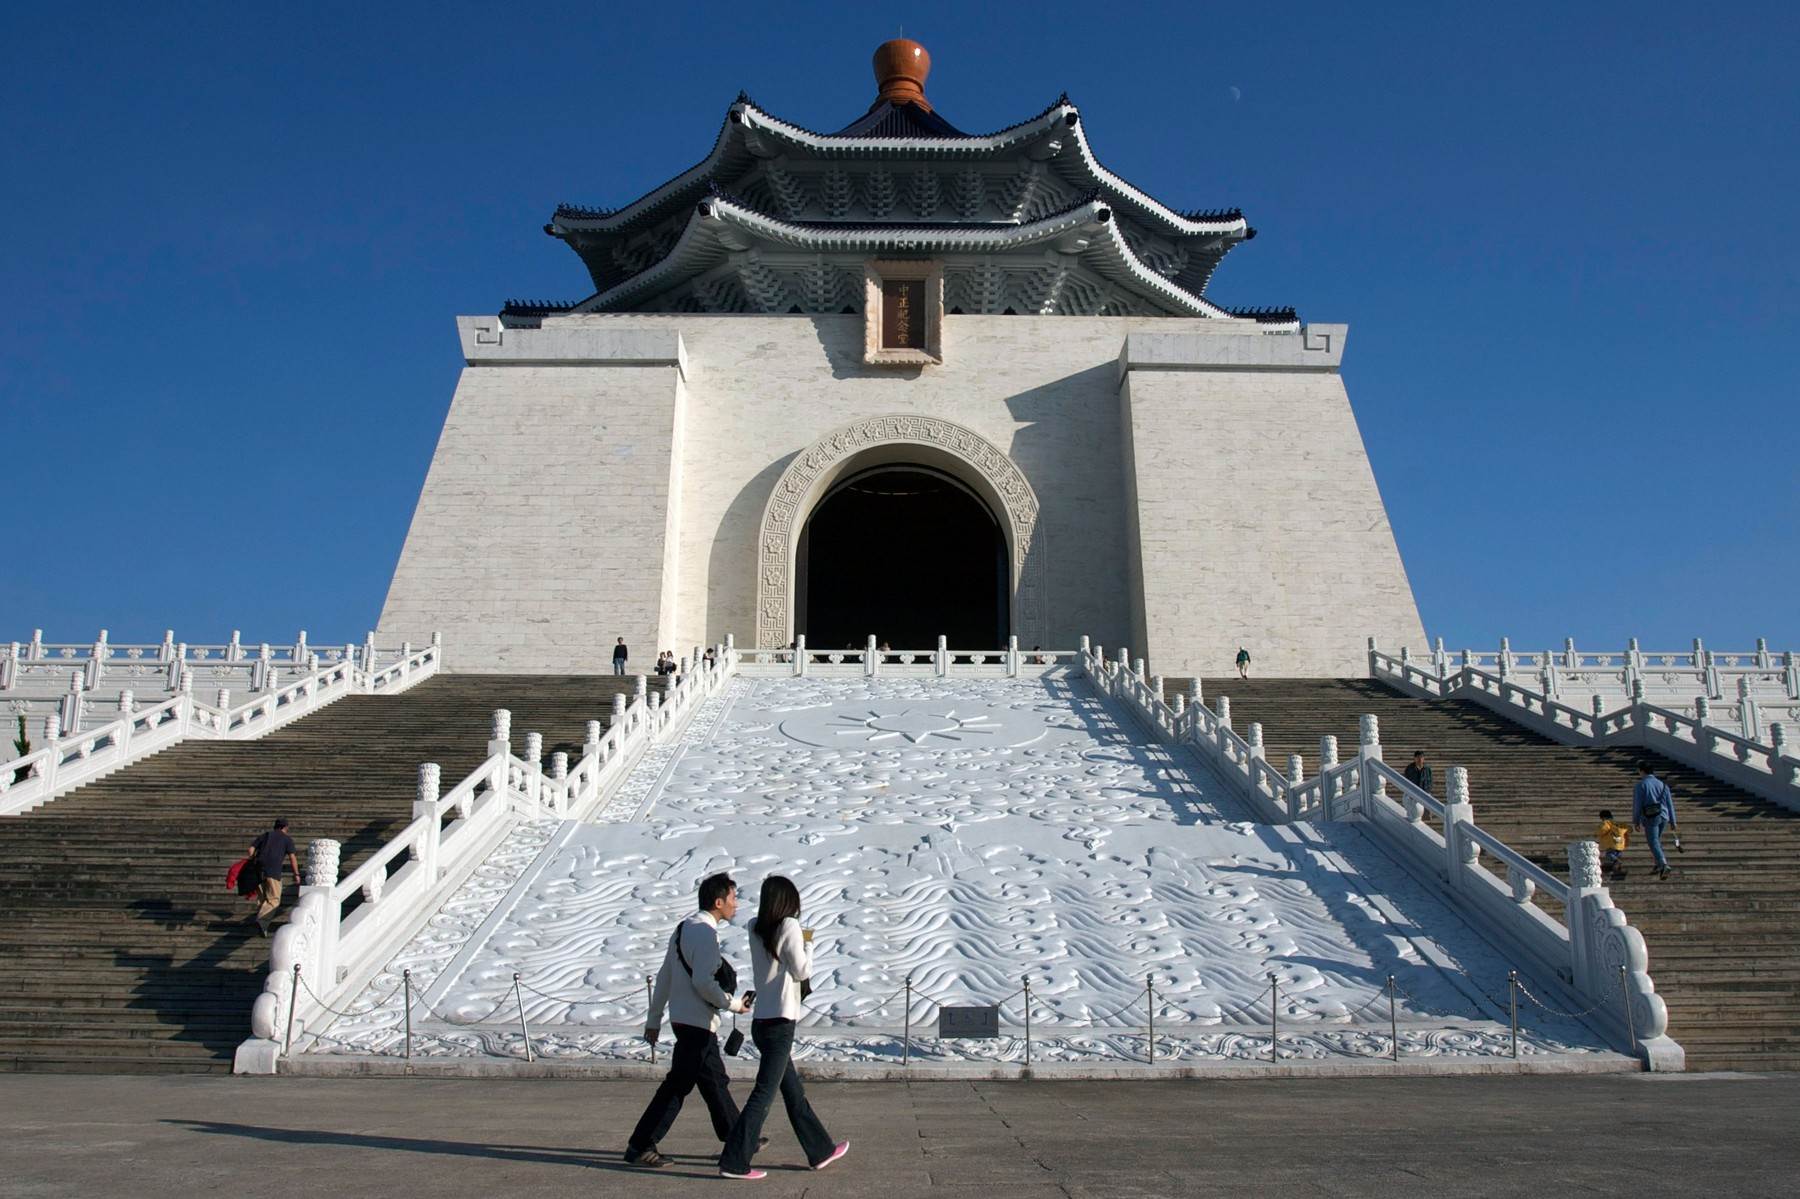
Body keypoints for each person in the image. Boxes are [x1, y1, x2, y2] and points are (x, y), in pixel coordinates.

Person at [719, 876, 848, 1180]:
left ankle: (820, 1150)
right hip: (781, 1023)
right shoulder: (789, 926)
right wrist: (808, 945)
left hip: (762, 1021)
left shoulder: (754, 927)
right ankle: (734, 1161)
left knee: (793, 1092)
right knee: (763, 1095)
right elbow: (802, 970)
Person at [625, 873, 752, 1169]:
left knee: (713, 1082)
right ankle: (640, 1144)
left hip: (684, 1020)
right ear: (718, 902)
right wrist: (734, 1004)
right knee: (678, 1086)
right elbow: (704, 983)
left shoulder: (684, 927)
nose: (736, 904)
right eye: (733, 898)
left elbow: (665, 975)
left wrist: (655, 1018)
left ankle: (737, 1137)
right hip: (698, 1023)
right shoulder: (706, 933)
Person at [246, 818, 299, 936]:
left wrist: (252, 860)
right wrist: (296, 874)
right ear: (285, 827)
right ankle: (261, 920)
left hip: (258, 870)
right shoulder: (287, 839)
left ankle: (263, 927)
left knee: (262, 900)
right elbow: (292, 857)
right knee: (274, 900)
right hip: (273, 872)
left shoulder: (265, 835)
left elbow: (250, 849)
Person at [1633, 763, 1678, 880]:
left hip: (1651, 816)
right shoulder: (1663, 785)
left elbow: (1637, 805)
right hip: (1664, 815)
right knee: (1656, 840)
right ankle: (1658, 864)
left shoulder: (1641, 785)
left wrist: (1636, 820)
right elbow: (1670, 804)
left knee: (1653, 841)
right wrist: (1673, 821)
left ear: (1642, 771)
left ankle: (1663, 864)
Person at [1596, 809, 1631, 880]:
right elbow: (1628, 829)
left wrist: (1598, 832)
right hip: (1620, 844)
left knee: (1609, 855)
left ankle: (1616, 862)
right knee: (1617, 855)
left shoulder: (1606, 823)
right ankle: (1617, 870)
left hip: (1611, 844)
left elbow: (1603, 830)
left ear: (1603, 818)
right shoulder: (1617, 824)